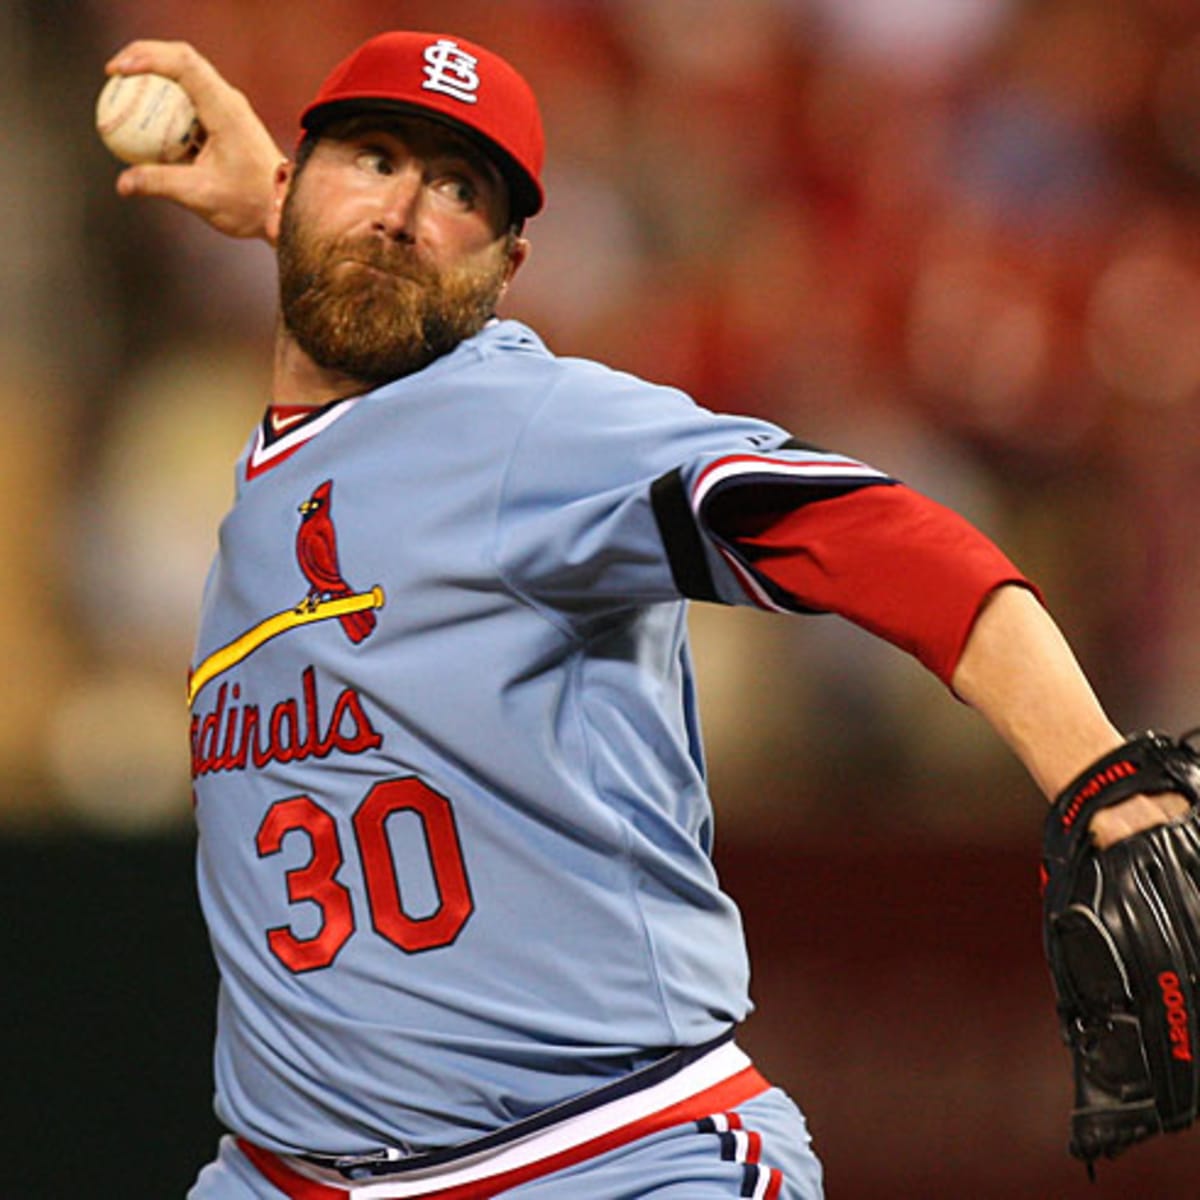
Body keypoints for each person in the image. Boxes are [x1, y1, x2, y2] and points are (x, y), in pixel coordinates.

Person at [105, 32, 1187, 1200]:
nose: (405, 209)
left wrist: (1099, 774)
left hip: (604, 1155)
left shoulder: (528, 425)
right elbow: (354, 286)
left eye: (459, 189)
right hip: (282, 1178)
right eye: (370, 158)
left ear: (508, 265)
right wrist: (297, 221)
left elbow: (872, 532)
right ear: (290, 180)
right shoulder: (285, 464)